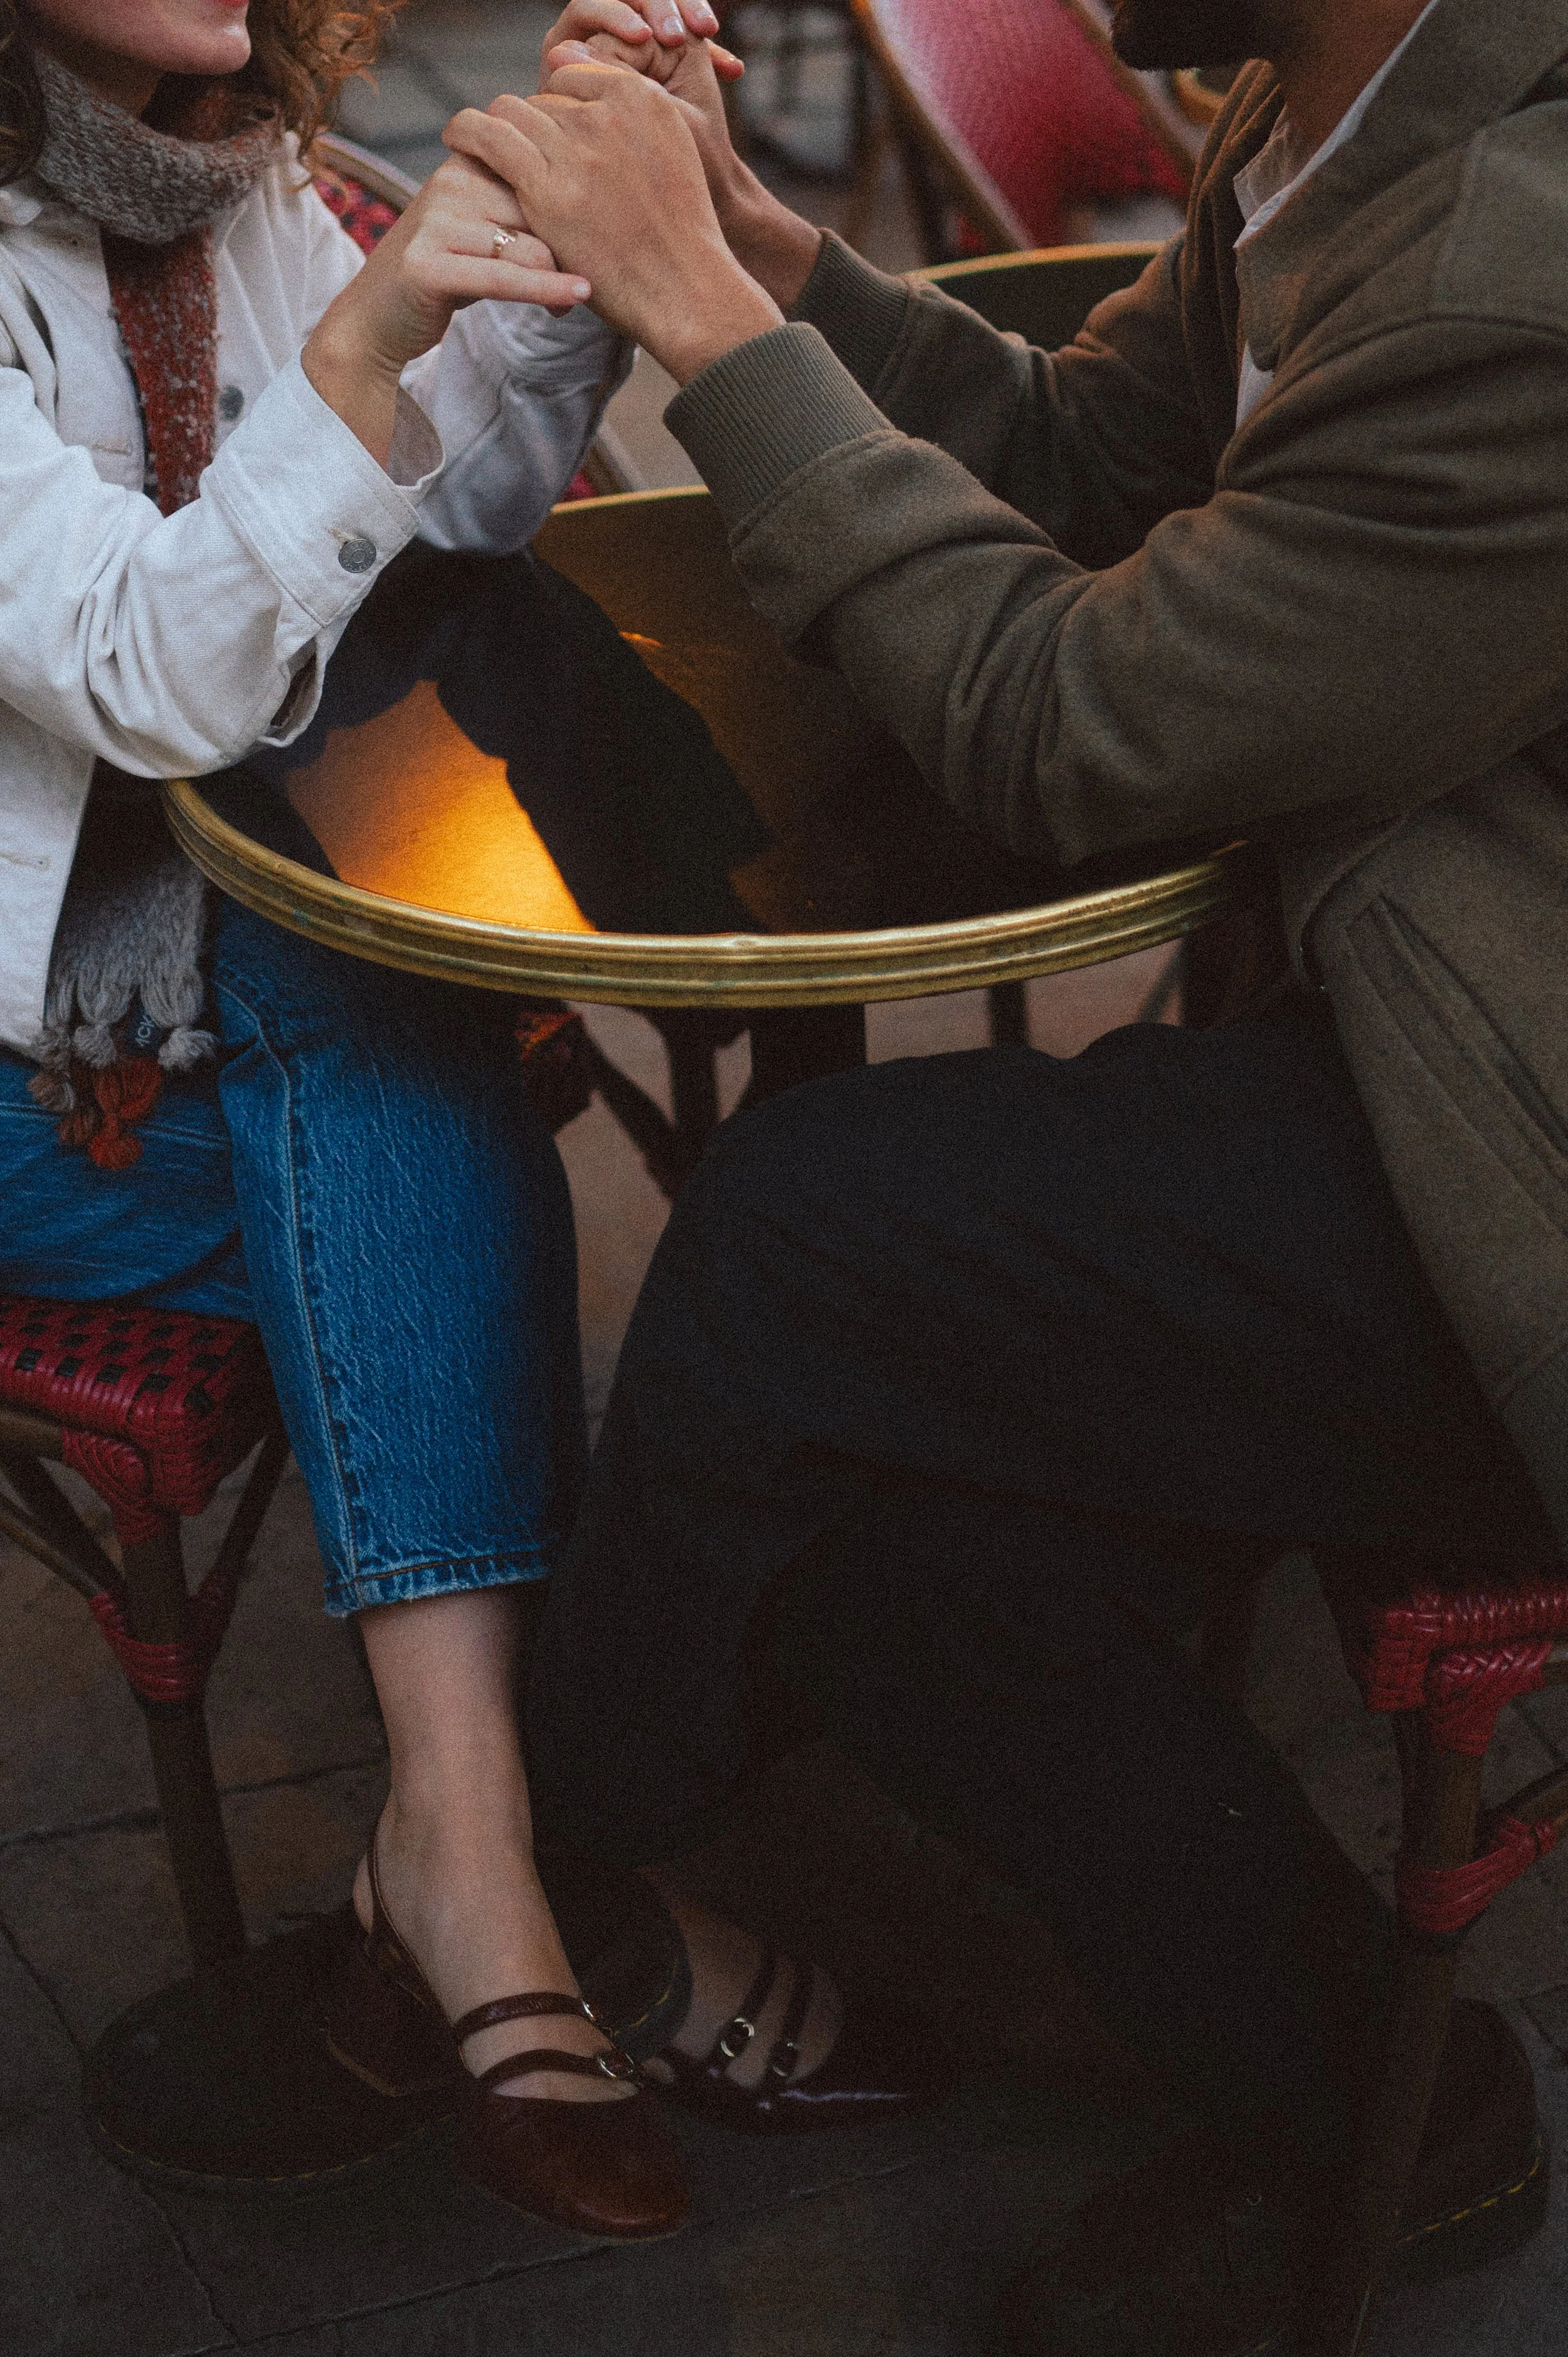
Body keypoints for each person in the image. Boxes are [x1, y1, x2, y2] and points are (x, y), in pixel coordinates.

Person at [428, 0, 1568, 2340]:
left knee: (800, 1244)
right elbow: (1090, 459)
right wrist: (778, 257)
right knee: (850, 1452)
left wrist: (706, 319)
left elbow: (1073, 725)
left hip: (1523, 1195)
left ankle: (527, 1862)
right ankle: (1377, 2091)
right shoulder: (1339, 102)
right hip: (1401, 1038)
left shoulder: (1512, 266)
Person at [0, 0, 928, 2245]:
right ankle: (552, 1876)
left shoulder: (211, 170)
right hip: (40, 1059)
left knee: (370, 1005)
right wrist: (387, 314)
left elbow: (458, 502)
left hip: (234, 1000)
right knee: (437, 1095)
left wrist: (532, 223)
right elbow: (149, 664)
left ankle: (463, 1844)